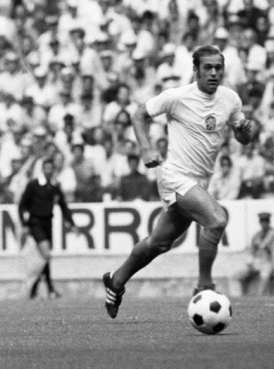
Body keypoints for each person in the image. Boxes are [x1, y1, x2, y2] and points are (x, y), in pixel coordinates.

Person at [103, 46, 255, 319]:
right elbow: (139, 115)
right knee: (217, 220)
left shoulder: (230, 99)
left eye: (218, 68)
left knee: (159, 244)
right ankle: (204, 285)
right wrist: (146, 149)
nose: (213, 73)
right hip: (174, 176)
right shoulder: (177, 97)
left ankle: (116, 280)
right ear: (195, 70)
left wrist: (245, 132)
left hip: (199, 181)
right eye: (207, 67)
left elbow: (242, 137)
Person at [19, 158, 78, 299]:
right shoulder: (34, 185)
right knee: (46, 254)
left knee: (45, 258)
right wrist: (25, 224)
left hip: (48, 224)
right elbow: (22, 205)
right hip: (36, 223)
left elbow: (63, 206)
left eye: (51, 168)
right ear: (42, 169)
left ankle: (34, 290)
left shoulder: (54, 186)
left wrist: (72, 223)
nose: (48, 171)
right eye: (46, 168)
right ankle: (49, 289)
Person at [234, 212, 274, 296]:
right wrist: (250, 261)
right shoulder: (257, 235)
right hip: (256, 262)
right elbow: (252, 250)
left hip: (267, 262)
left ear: (268, 222)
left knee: (264, 277)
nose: (264, 224)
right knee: (241, 276)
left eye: (265, 222)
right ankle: (244, 295)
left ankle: (260, 296)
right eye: (262, 222)